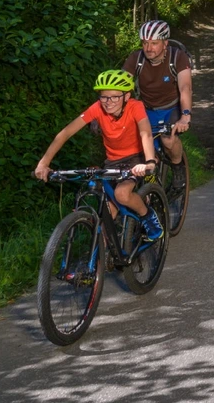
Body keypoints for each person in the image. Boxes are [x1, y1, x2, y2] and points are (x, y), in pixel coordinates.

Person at [33, 70, 163, 240]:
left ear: (126, 96)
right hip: (112, 161)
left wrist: (149, 162)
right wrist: (44, 163)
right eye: (104, 97)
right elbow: (65, 133)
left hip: (136, 158)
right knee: (105, 219)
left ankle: (147, 216)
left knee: (122, 194)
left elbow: (145, 133)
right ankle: (99, 262)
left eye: (115, 97)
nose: (108, 102)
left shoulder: (135, 106)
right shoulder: (97, 109)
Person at [122, 20, 193, 177]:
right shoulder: (136, 59)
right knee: (140, 150)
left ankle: (177, 168)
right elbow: (120, 87)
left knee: (168, 140)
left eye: (154, 43)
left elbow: (185, 88)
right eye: (145, 43)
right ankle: (149, 190)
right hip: (146, 109)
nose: (148, 48)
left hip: (172, 108)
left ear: (165, 43)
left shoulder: (178, 58)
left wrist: (185, 115)